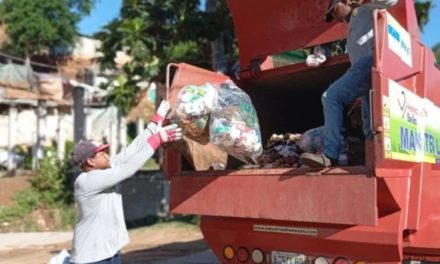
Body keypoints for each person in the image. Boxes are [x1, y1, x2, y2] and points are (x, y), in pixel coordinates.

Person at [70, 101, 182, 264]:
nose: (107, 155)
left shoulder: (105, 170)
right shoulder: (86, 181)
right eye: (101, 154)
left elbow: (131, 151)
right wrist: (157, 139)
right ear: (90, 161)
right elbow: (128, 167)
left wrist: (155, 122)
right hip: (91, 257)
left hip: (110, 251)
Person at [300, 0, 398, 167]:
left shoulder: (367, 8)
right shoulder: (353, 25)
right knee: (369, 123)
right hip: (366, 74)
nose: (337, 18)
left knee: (331, 97)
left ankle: (331, 154)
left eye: (335, 11)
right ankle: (373, 162)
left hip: (369, 64)